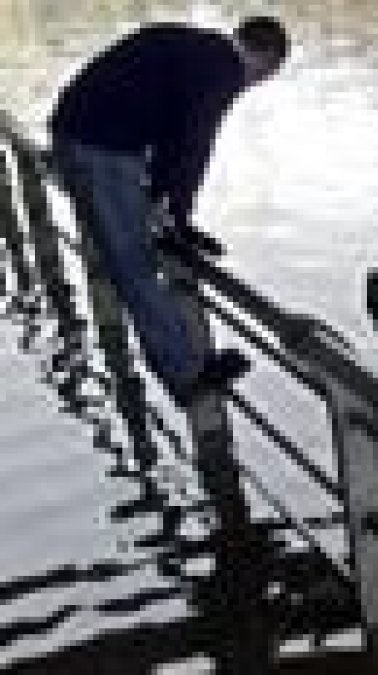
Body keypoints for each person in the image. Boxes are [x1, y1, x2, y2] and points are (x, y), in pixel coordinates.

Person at [49, 16, 289, 405]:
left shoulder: (194, 49)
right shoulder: (223, 68)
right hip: (100, 150)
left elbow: (170, 140)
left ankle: (178, 361)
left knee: (134, 252)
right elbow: (193, 145)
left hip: (78, 134)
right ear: (264, 59)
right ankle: (188, 374)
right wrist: (175, 214)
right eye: (263, 78)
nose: (252, 87)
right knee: (136, 266)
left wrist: (174, 218)